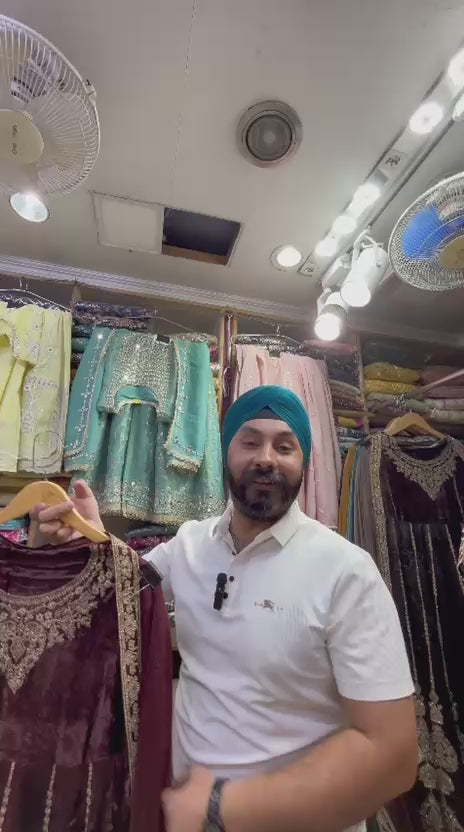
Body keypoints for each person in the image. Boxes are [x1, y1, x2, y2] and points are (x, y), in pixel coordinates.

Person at [33, 385, 417, 832]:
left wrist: (224, 808)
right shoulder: (190, 545)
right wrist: (81, 537)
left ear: (305, 464)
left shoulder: (347, 572)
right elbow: (114, 593)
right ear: (225, 453)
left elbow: (393, 758)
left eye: (285, 447)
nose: (266, 458)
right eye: (250, 441)